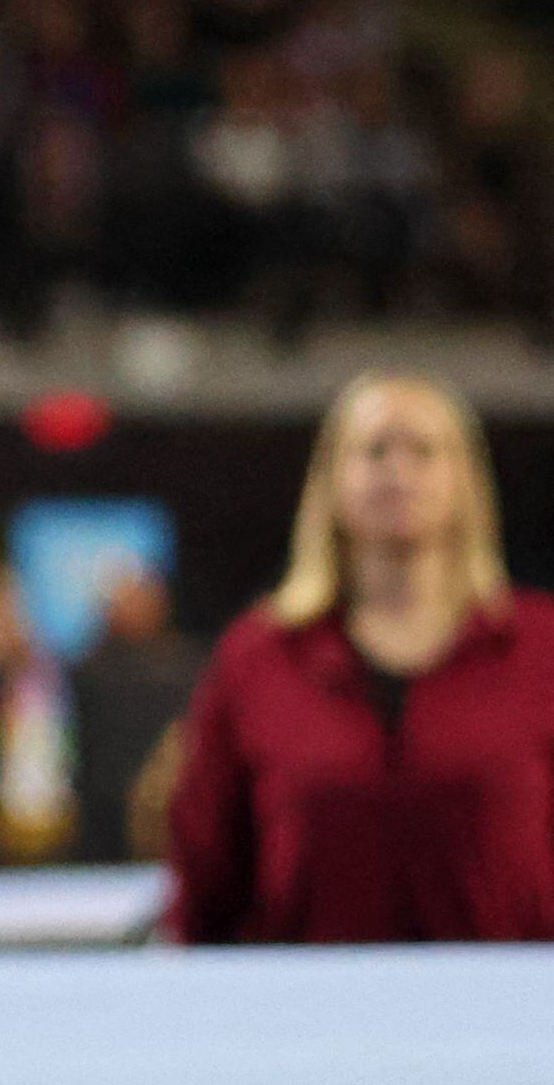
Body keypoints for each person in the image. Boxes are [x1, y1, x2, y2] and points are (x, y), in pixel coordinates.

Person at [166, 372, 554, 942]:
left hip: (515, 1015)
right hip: (304, 1014)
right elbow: (205, 871)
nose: (397, 471)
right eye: (374, 451)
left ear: (465, 479)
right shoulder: (258, 658)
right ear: (331, 481)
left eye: (422, 451)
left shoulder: (540, 646)